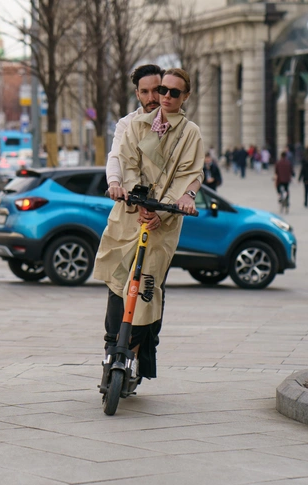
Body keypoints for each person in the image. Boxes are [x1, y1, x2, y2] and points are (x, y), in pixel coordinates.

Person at [94, 67, 204, 380]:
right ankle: (111, 347)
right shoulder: (132, 124)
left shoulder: (189, 132)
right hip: (129, 214)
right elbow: (120, 158)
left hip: (161, 221)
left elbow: (190, 174)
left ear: (183, 95)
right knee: (118, 282)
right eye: (151, 92)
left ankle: (141, 352)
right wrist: (123, 188)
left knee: (149, 288)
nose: (159, 97)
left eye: (167, 91)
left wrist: (164, 210)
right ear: (138, 93)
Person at [106, 65, 165, 201]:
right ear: (137, 94)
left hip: (166, 207)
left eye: (156, 90)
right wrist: (114, 183)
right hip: (133, 202)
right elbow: (116, 155)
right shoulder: (127, 124)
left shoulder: (179, 126)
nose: (151, 98)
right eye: (144, 92)